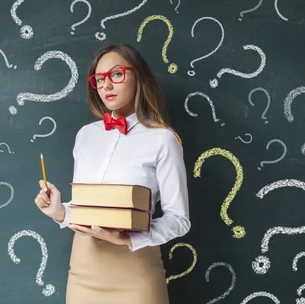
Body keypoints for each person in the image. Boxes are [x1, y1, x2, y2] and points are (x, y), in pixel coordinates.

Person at [33, 43, 191, 304]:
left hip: (136, 270)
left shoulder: (163, 139)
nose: (106, 85)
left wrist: (128, 237)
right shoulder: (85, 136)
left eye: (116, 74)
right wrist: (59, 211)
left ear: (138, 76)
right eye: (98, 79)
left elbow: (179, 220)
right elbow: (89, 209)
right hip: (84, 269)